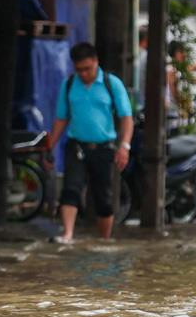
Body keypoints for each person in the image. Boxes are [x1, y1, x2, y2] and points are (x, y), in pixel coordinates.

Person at [50, 42, 134, 244]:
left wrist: (124, 146)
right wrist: (49, 146)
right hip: (76, 145)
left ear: (96, 62)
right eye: (79, 70)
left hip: (104, 148)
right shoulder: (69, 84)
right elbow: (62, 118)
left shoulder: (111, 84)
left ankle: (105, 239)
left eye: (87, 69)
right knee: (71, 188)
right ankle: (68, 234)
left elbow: (126, 117)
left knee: (103, 197)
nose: (84, 74)